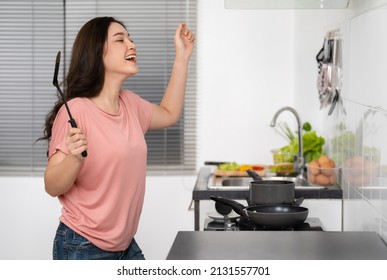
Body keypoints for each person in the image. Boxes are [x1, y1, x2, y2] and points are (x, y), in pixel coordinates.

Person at [40, 16, 195, 260]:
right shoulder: (76, 111)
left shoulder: (129, 103)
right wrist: (74, 159)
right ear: (96, 53)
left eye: (130, 39)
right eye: (120, 40)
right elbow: (52, 186)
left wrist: (182, 57)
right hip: (83, 244)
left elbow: (169, 114)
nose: (132, 44)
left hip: (123, 244)